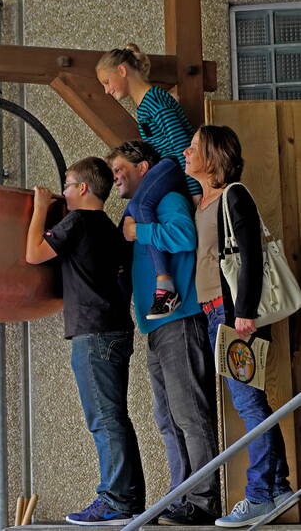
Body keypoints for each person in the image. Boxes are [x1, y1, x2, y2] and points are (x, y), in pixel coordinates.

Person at [184, 125, 296, 527]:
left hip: (234, 316)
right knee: (250, 402)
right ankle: (278, 486)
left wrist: (243, 313)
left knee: (249, 403)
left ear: (213, 156)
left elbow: (250, 257)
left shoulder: (234, 195)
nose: (186, 151)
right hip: (215, 313)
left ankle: (261, 494)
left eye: (194, 147)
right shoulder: (202, 200)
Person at [107, 140, 221, 525]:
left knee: (189, 414)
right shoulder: (140, 211)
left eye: (121, 168)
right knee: (167, 417)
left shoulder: (166, 199)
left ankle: (203, 501)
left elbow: (186, 237)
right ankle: (180, 496)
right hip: (157, 328)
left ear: (144, 168)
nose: (115, 177)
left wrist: (141, 233)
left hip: (180, 321)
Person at [26, 157, 142, 526]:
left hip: (93, 333)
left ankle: (115, 500)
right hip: (116, 328)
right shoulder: (110, 228)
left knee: (104, 419)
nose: (63, 191)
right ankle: (128, 498)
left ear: (83, 189)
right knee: (116, 417)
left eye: (67, 184)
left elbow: (33, 255)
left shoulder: (76, 222)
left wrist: (40, 209)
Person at [97, 44, 199, 319]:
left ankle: (165, 285)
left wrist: (195, 192)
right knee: (132, 212)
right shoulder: (145, 108)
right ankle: (122, 276)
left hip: (175, 167)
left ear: (122, 70)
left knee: (140, 205)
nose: (107, 90)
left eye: (107, 82)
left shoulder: (154, 100)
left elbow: (180, 146)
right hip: (169, 168)